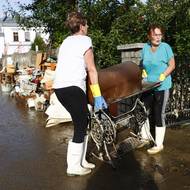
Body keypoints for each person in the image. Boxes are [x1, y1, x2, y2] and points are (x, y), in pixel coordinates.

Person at [53, 11, 107, 176]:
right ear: (81, 26)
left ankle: (81, 161)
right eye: (86, 24)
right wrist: (97, 95)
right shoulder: (85, 40)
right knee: (81, 124)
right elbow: (91, 69)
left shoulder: (66, 41)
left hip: (60, 88)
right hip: (73, 87)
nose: (88, 26)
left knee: (82, 121)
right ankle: (73, 167)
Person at [140, 24, 175, 154]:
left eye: (160, 35)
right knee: (144, 109)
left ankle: (159, 144)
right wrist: (143, 71)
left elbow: (172, 65)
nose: (158, 37)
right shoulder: (145, 48)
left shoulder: (166, 47)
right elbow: (142, 64)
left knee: (158, 113)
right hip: (148, 85)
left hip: (162, 85)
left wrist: (164, 75)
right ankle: (144, 137)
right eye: (155, 35)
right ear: (149, 36)